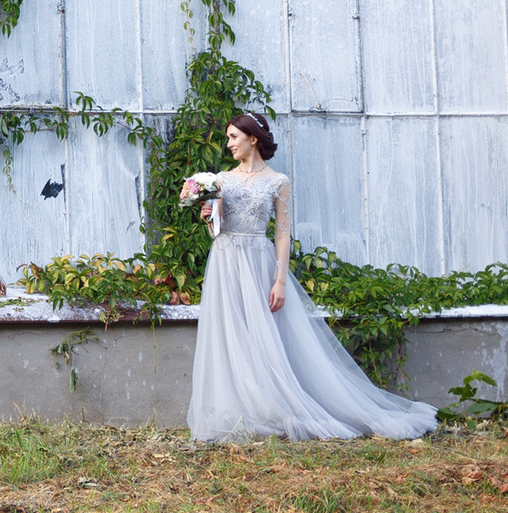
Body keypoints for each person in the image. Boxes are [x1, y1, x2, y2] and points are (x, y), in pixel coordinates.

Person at [179, 111, 435, 444]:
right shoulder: (222, 181)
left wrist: (280, 280)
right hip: (225, 260)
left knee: (263, 335)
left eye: (233, 137)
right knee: (230, 333)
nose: (228, 144)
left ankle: (276, 406)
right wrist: (208, 215)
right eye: (228, 138)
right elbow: (218, 229)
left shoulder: (277, 181)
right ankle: (242, 408)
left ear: (252, 138)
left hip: (258, 259)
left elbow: (282, 234)